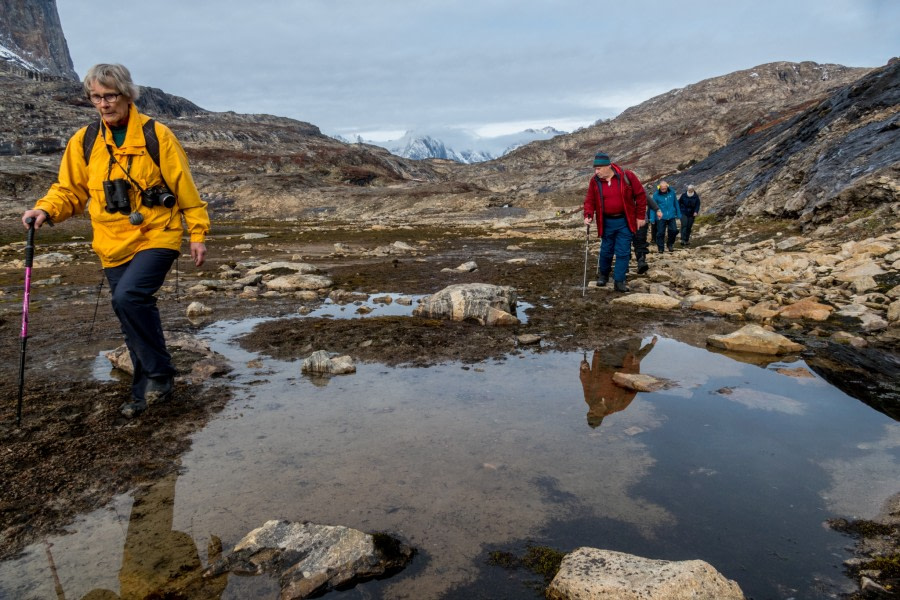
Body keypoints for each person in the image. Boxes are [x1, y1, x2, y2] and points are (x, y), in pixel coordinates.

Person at [22, 63, 209, 418]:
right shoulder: (85, 140)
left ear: (127, 95)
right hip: (110, 241)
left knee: (130, 297)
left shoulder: (157, 135)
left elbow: (185, 188)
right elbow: (69, 190)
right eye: (96, 97)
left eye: (110, 96)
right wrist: (45, 210)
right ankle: (147, 389)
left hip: (157, 233)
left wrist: (197, 233)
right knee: (128, 312)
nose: (104, 104)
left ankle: (158, 374)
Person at [583, 151, 648, 293]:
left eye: (598, 168)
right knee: (606, 250)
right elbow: (590, 200)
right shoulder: (595, 181)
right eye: (595, 168)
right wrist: (588, 215)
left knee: (623, 251)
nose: (596, 171)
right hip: (606, 222)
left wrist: (640, 216)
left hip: (625, 221)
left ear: (608, 166)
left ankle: (619, 281)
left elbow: (641, 196)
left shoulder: (627, 176)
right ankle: (604, 275)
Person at [579, 336, 657, 428]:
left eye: (589, 412)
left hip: (603, 359)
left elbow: (586, 382)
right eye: (592, 413)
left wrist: (584, 369)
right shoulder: (620, 405)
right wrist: (649, 346)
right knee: (633, 333)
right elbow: (633, 387)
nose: (590, 409)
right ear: (601, 415)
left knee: (610, 332)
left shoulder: (590, 399)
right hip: (624, 360)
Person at [632, 188, 662, 275]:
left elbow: (648, 199)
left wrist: (657, 209)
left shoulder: (639, 188)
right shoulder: (618, 187)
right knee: (625, 243)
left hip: (641, 219)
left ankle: (641, 261)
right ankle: (624, 264)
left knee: (640, 241)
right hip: (625, 220)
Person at [650, 180, 681, 252]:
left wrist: (678, 213)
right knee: (660, 232)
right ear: (659, 187)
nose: (663, 190)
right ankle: (660, 248)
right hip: (661, 216)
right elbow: (652, 207)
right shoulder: (656, 195)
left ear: (667, 187)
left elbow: (676, 203)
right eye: (662, 188)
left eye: (664, 188)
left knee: (673, 230)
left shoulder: (672, 192)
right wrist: (652, 218)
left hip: (671, 215)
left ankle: (670, 244)